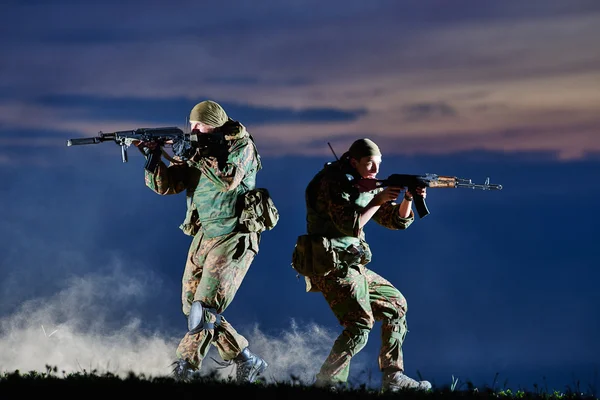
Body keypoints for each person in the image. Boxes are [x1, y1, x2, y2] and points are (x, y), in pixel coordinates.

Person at [137, 100, 268, 383]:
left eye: (200, 125)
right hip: (204, 235)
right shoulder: (199, 149)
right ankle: (247, 360)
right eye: (192, 125)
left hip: (234, 235)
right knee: (191, 308)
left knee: (205, 308)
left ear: (216, 124)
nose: (194, 130)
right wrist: (154, 158)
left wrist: (193, 153)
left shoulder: (241, 147)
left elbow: (229, 179)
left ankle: (183, 369)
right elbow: (167, 186)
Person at [295, 138, 432, 392]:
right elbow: (350, 225)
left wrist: (407, 199)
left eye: (378, 164)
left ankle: (393, 379)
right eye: (370, 164)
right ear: (354, 161)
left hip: (352, 264)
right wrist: (377, 200)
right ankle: (328, 383)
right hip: (331, 265)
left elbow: (394, 221)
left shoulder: (365, 185)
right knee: (359, 324)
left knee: (396, 306)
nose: (375, 170)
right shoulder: (333, 183)